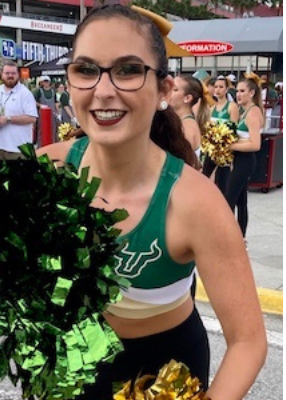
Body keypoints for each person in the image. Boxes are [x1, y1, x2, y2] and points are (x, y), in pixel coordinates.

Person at [37, 5, 266, 400]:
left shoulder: (195, 202)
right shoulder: (45, 169)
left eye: (128, 70)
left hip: (165, 373)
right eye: (86, 70)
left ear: (163, 90)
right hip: (74, 363)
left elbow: (248, 342)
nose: (103, 90)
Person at [225, 73, 265, 238]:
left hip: (246, 161)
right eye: (237, 91)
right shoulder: (244, 111)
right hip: (239, 159)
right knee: (241, 202)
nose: (238, 94)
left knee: (228, 200)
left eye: (242, 91)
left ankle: (229, 237)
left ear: (252, 93)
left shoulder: (253, 113)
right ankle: (240, 237)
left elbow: (256, 144)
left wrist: (230, 145)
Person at [0, 61, 38, 162]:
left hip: (18, 149)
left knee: (17, 178)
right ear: (2, 74)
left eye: (13, 73)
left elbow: (32, 118)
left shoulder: (25, 94)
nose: (10, 76)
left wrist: (8, 119)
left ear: (18, 75)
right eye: (7, 73)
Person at [203, 75, 239, 187]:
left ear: (226, 89)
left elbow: (233, 129)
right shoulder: (212, 108)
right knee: (205, 175)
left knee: (223, 181)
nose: (217, 89)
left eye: (221, 87)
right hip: (212, 149)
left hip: (225, 150)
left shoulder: (232, 106)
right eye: (216, 86)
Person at [166, 75, 206, 163]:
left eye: (175, 89)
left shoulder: (187, 127)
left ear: (187, 98)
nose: (168, 92)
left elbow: (182, 163)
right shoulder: (179, 122)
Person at [33, 75, 58, 146]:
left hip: (52, 114)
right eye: (44, 81)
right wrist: (40, 105)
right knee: (42, 131)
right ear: (42, 83)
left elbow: (55, 102)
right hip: (42, 114)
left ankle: (52, 146)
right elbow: (32, 101)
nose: (46, 83)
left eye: (47, 81)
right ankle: (41, 147)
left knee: (53, 130)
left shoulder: (53, 91)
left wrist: (58, 113)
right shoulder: (38, 91)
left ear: (49, 82)